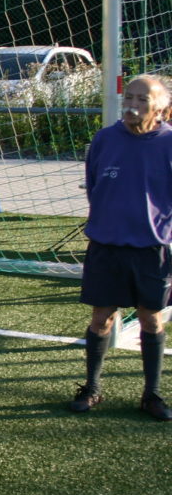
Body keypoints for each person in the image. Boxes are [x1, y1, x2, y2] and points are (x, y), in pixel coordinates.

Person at [72, 75, 172, 421]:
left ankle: (152, 394)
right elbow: (95, 186)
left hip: (151, 249)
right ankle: (92, 386)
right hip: (106, 245)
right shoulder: (104, 139)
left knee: (151, 318)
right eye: (128, 97)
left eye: (142, 99)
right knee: (101, 318)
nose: (132, 105)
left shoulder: (169, 143)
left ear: (160, 107)